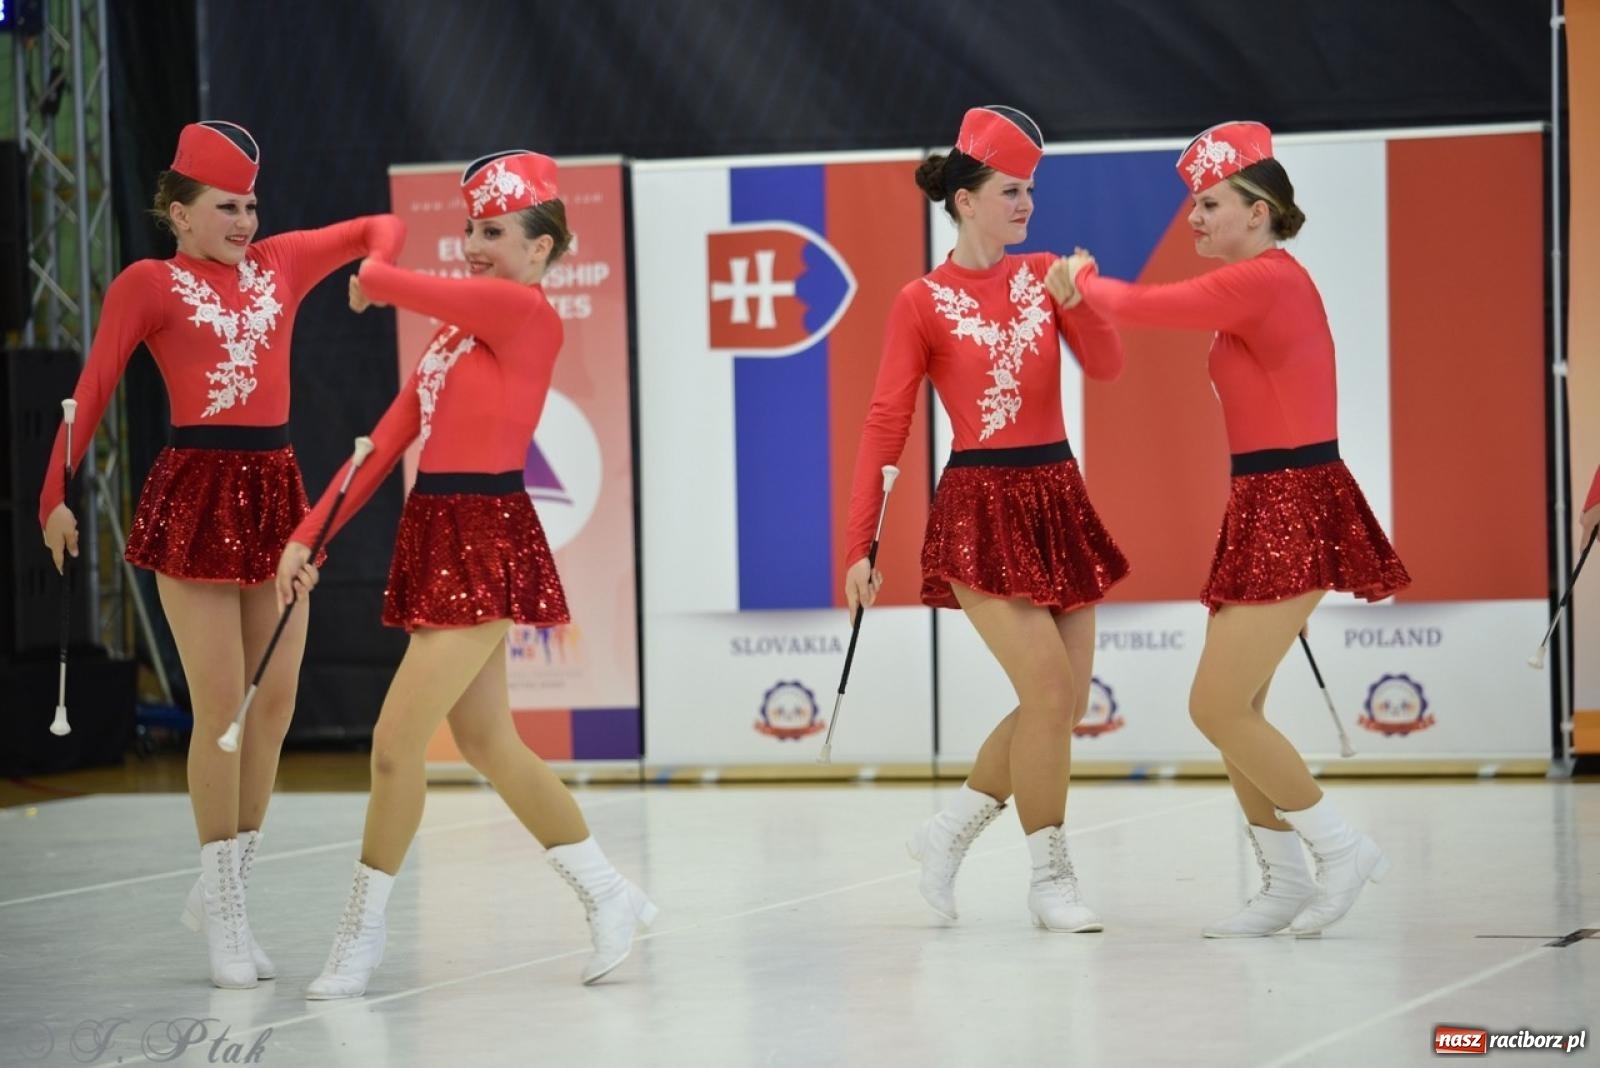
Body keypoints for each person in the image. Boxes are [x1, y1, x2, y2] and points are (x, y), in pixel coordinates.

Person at [277, 150, 653, 997]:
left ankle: (360, 938)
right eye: (470, 230)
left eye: (494, 231)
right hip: (436, 529)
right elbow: (382, 443)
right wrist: (310, 535)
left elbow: (396, 278)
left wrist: (377, 270)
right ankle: (610, 893)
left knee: (392, 745)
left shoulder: (525, 316)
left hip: (485, 535)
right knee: (489, 742)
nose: (475, 244)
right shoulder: (452, 340)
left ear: (543, 249)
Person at [39, 120, 406, 987]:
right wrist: (54, 494)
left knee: (272, 705)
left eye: (251, 204)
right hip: (196, 497)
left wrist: (377, 272)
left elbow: (374, 229)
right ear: (178, 212)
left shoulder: (281, 262)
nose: (244, 221)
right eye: (225, 206)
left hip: (278, 496)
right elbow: (90, 388)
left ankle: (226, 888)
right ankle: (226, 922)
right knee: (221, 713)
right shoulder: (148, 283)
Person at [1057, 120, 1410, 937]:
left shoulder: (1270, 280)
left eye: (1210, 203)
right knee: (1238, 703)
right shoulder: (1257, 283)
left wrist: (1082, 279)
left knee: (1217, 706)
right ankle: (1284, 881)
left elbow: (1150, 306)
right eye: (1194, 203)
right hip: (1263, 504)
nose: (1196, 218)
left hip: (1294, 504)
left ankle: (1339, 846)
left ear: (1260, 211)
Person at [843, 106, 1128, 932]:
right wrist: (860, 542)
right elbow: (884, 424)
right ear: (965, 200)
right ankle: (1050, 879)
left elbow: (1106, 368)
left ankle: (949, 832)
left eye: (1031, 190)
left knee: (1063, 703)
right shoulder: (920, 301)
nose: (1027, 204)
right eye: (1011, 190)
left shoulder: (1047, 274)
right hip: (981, 504)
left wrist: (1084, 303)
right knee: (1045, 688)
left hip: (1057, 494)